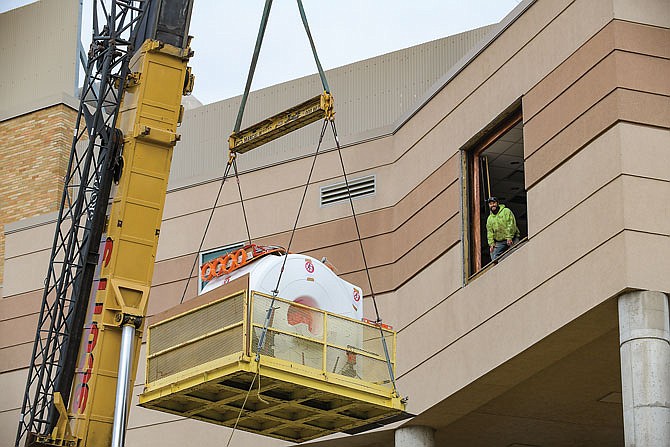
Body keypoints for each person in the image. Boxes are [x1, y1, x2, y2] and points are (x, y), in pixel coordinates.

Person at [486, 197, 520, 262]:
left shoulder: (506, 211)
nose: (492, 205)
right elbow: (490, 232)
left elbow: (511, 224)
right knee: (494, 255)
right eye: (490, 204)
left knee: (515, 252)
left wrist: (509, 237)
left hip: (512, 237)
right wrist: (491, 244)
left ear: (498, 203)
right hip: (500, 241)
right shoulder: (489, 219)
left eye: (494, 203)